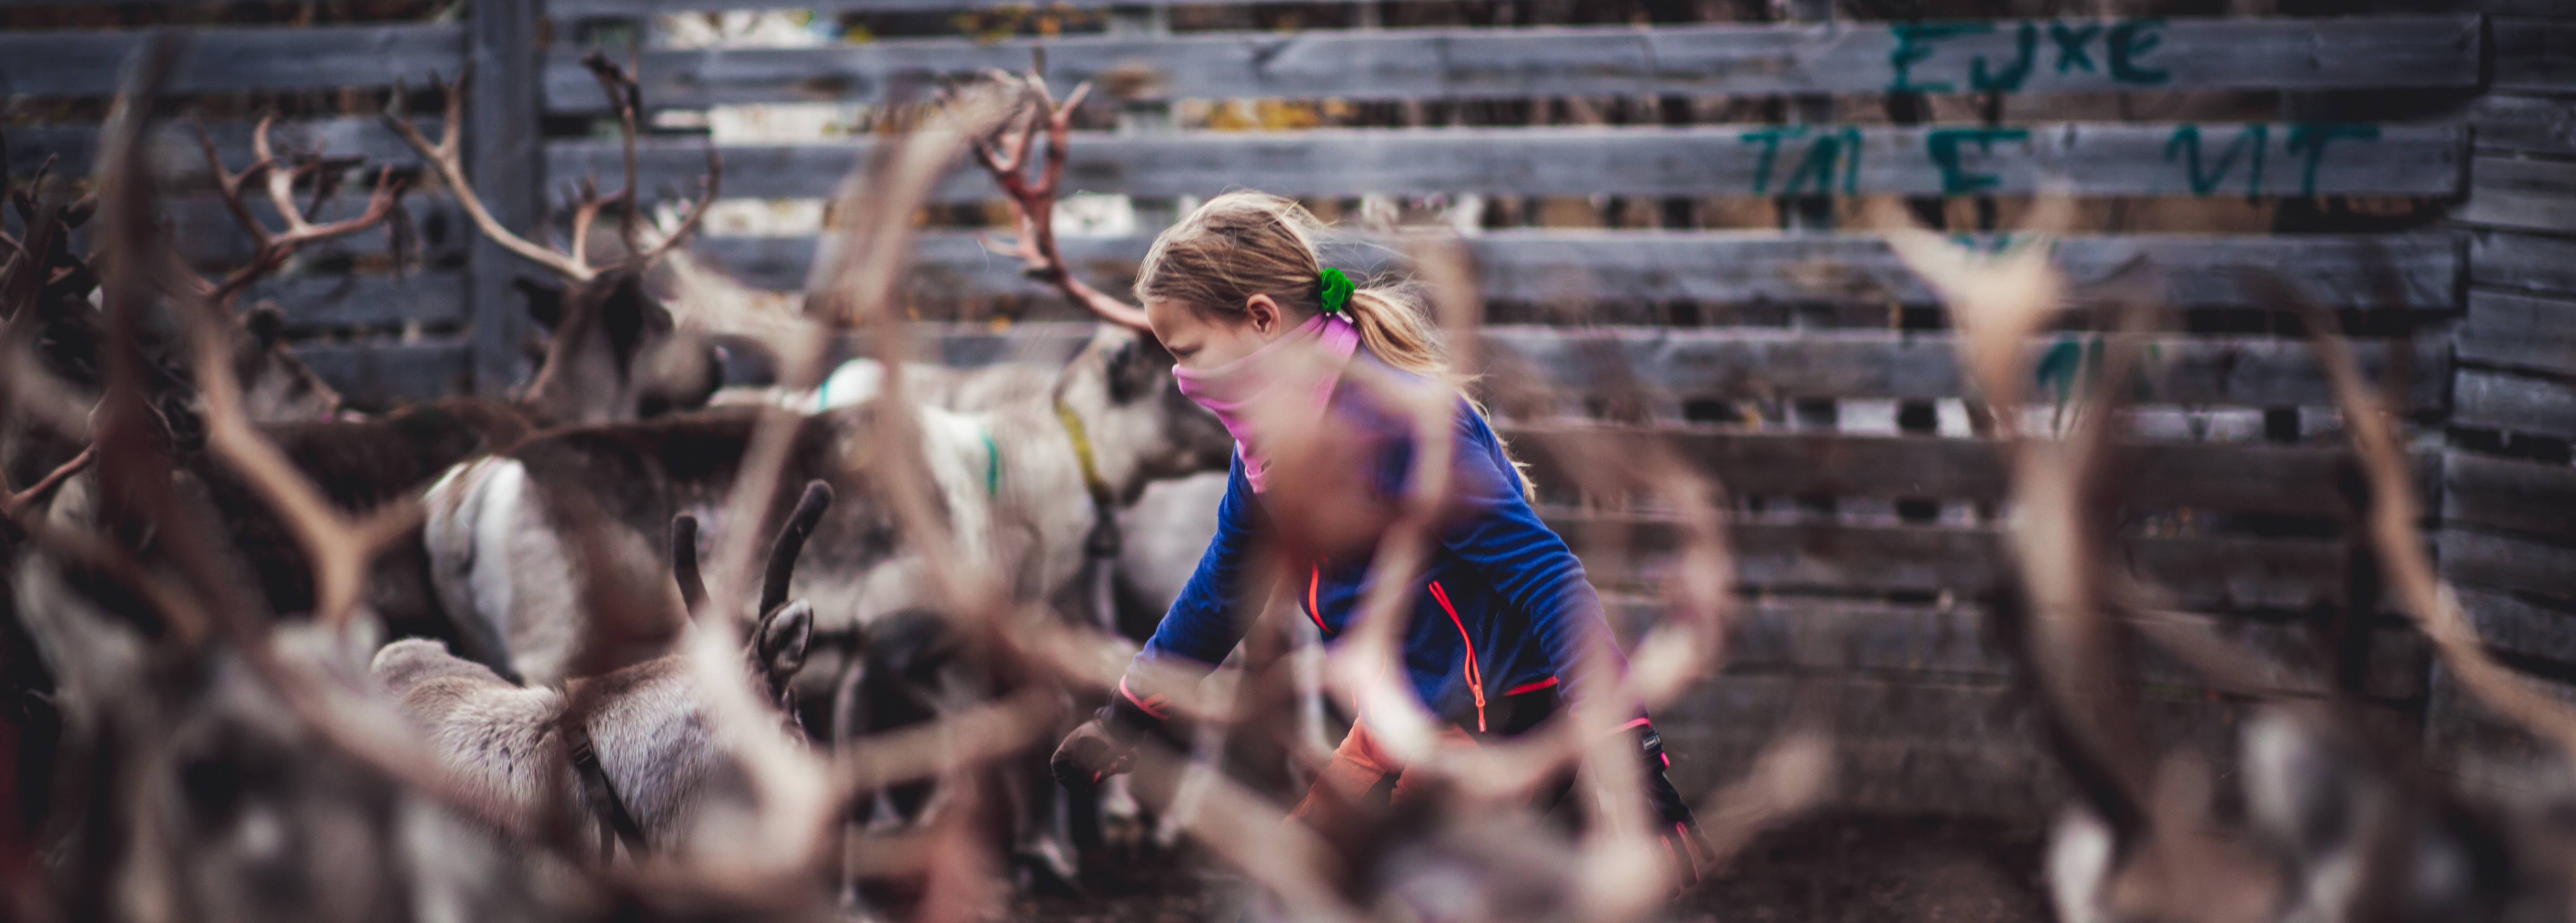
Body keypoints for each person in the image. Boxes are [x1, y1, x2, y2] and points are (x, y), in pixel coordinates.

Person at [1048, 192, 1705, 877]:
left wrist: (1633, 763)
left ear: (1263, 320)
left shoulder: (1398, 425)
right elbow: (1225, 589)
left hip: (1492, 715)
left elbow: (1550, 579)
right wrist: (1128, 713)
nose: (1182, 379)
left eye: (1186, 353)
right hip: (1400, 714)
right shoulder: (1271, 448)